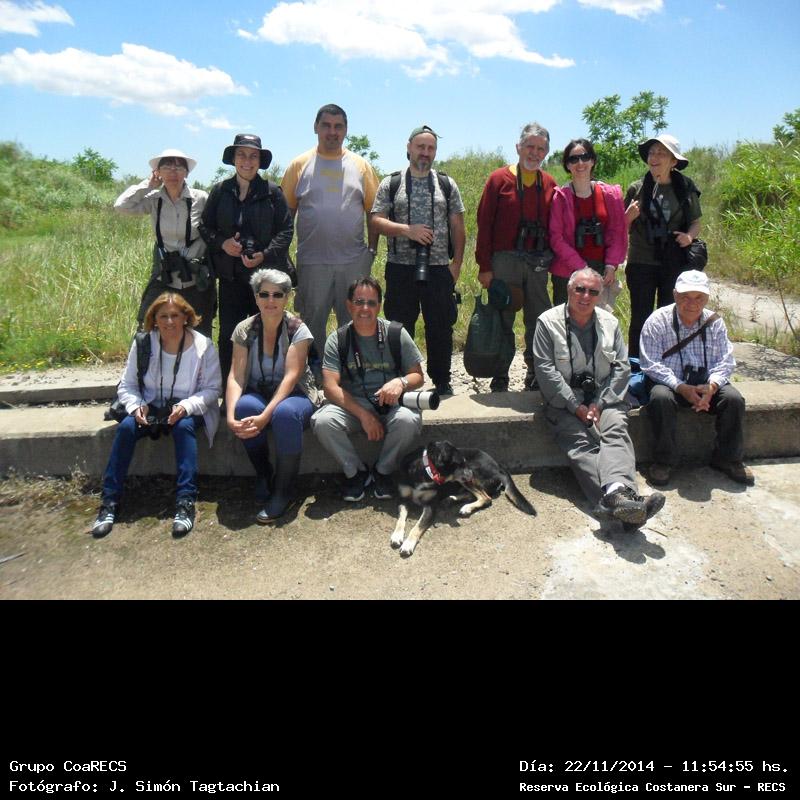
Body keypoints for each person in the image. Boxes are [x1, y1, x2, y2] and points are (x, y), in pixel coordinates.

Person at [533, 268, 665, 528]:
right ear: (568, 290)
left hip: (604, 396)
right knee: (581, 443)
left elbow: (622, 368)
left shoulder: (610, 323)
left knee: (616, 430)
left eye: (593, 292)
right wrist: (575, 406)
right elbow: (545, 370)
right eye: (579, 289)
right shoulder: (547, 323)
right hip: (564, 399)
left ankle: (616, 500)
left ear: (600, 294)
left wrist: (600, 403)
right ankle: (625, 502)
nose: (585, 296)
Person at [91, 293, 222, 539]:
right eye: (163, 316)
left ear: (186, 317)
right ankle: (109, 502)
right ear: (154, 319)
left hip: (187, 407)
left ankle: (185, 502)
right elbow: (127, 385)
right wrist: (137, 406)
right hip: (150, 407)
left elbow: (212, 389)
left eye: (175, 315)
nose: (169, 322)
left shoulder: (203, 346)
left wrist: (186, 406)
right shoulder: (143, 343)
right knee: (126, 428)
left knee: (183, 428)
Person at [370, 125, 466, 395]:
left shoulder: (446, 184)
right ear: (409, 148)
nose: (425, 152)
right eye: (420, 147)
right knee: (399, 327)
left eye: (430, 148)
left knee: (440, 326)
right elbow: (375, 221)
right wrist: (407, 230)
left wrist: (456, 265)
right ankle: (402, 380)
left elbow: (458, 226)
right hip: (400, 268)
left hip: (439, 268)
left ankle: (442, 380)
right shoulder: (392, 183)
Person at [311, 276, 424, 502]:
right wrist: (364, 415)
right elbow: (330, 387)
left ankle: (383, 471)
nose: (365, 308)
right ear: (348, 305)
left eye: (371, 303)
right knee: (322, 421)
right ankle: (356, 473)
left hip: (391, 403)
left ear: (379, 306)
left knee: (408, 420)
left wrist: (400, 382)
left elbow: (418, 376)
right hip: (354, 405)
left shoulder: (395, 333)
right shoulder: (338, 339)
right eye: (359, 302)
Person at [281, 104, 380, 362]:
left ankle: (351, 371)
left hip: (354, 261)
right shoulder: (298, 165)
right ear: (316, 127)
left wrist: (371, 250)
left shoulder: (361, 166)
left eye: (338, 126)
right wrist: (285, 255)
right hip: (312, 262)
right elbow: (286, 214)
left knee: (356, 320)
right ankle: (316, 372)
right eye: (326, 125)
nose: (332, 132)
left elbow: (374, 211)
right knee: (311, 322)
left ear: (346, 130)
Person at [639, 270, 754, 487]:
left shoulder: (715, 322)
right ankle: (663, 461)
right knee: (660, 398)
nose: (692, 303)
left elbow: (725, 361)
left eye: (699, 297)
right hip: (670, 383)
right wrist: (680, 387)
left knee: (733, 399)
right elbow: (650, 363)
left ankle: (728, 458)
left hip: (706, 384)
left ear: (707, 298)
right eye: (685, 297)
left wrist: (712, 386)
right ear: (675, 295)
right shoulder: (657, 321)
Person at [226, 268, 321, 523]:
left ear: (287, 298)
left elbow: (291, 377)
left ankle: (284, 489)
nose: (271, 300)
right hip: (259, 391)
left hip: (296, 394)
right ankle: (263, 473)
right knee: (244, 408)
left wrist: (265, 416)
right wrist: (230, 416)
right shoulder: (244, 329)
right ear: (255, 297)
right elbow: (236, 376)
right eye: (264, 294)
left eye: (278, 294)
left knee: (285, 414)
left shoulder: (298, 329)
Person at [199, 134, 293, 385]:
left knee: (267, 332)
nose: (247, 161)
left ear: (260, 161)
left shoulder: (273, 192)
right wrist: (223, 243)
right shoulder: (220, 191)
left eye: (253, 156)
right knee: (230, 334)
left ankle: (266, 386)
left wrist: (265, 254)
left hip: (264, 281)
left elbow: (286, 231)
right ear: (233, 159)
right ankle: (229, 388)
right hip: (230, 277)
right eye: (241, 155)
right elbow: (204, 227)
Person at [476, 122, 556, 392]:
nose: (535, 153)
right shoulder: (498, 179)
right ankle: (500, 373)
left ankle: (535, 371)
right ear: (518, 147)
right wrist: (484, 266)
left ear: (547, 152)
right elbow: (484, 223)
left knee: (538, 318)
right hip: (504, 260)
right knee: (503, 316)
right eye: (530, 146)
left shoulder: (549, 183)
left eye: (541, 149)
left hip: (537, 261)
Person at [114, 148, 215, 337]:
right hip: (164, 276)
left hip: (195, 279)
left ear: (187, 173)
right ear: (158, 172)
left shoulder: (201, 198)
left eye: (179, 167)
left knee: (199, 333)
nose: (173, 172)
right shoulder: (154, 200)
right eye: (167, 167)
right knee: (146, 329)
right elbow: (121, 206)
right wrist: (148, 185)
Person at [624, 134, 702, 358]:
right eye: (651, 153)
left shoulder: (685, 187)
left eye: (661, 153)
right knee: (640, 317)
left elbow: (696, 222)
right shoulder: (637, 188)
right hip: (641, 261)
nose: (654, 157)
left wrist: (689, 237)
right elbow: (619, 227)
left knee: (669, 315)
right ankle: (636, 366)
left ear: (673, 161)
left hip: (673, 260)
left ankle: (666, 364)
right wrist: (628, 216)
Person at [548, 139, 627, 311]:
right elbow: (556, 238)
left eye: (585, 157)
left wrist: (611, 265)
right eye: (573, 159)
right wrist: (582, 268)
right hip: (567, 271)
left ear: (593, 160)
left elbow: (617, 232)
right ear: (567, 165)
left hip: (601, 270)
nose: (580, 163)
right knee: (566, 321)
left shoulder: (610, 194)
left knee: (598, 320)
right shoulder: (560, 197)